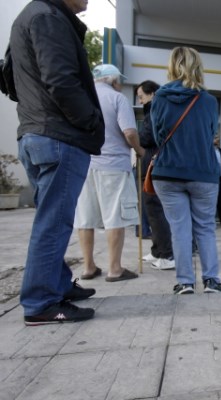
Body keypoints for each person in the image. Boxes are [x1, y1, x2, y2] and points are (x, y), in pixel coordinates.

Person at [11, 0, 104, 325]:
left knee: (52, 218)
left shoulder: (32, 16)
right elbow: (61, 80)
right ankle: (40, 302)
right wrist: (91, 120)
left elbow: (9, 78)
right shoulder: (48, 18)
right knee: (54, 223)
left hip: (38, 132)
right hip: (58, 136)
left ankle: (59, 284)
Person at [150, 46, 221, 294]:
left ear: (172, 65)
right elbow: (210, 133)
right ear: (198, 66)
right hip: (203, 172)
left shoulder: (159, 97)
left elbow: (156, 134)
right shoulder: (209, 100)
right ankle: (212, 280)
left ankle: (185, 282)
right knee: (205, 227)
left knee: (179, 228)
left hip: (167, 171)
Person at [74, 64, 144, 283]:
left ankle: (88, 267)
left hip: (85, 164)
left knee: (85, 217)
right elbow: (130, 132)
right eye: (119, 81)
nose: (121, 84)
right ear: (113, 80)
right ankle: (114, 269)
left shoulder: (80, 96)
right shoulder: (117, 98)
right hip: (113, 165)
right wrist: (139, 150)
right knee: (115, 216)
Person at [136, 80, 175, 270]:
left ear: (152, 94)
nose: (139, 100)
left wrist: (134, 138)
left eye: (141, 96)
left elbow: (147, 137)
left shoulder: (154, 111)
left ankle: (167, 254)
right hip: (154, 164)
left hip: (154, 165)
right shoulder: (157, 110)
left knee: (155, 210)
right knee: (152, 211)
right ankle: (157, 250)